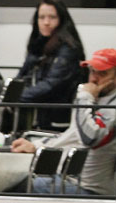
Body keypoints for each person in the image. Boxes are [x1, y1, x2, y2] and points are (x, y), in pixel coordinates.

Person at [9, 48, 116, 195]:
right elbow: (72, 136)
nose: (94, 79)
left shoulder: (108, 106)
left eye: (102, 73)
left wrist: (84, 97)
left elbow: (90, 138)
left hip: (89, 188)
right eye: (92, 71)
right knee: (10, 173)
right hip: (71, 178)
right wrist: (36, 145)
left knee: (15, 183)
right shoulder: (97, 98)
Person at [15, 0, 85, 130]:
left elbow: (51, 85)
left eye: (52, 17)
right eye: (41, 17)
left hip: (55, 115)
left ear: (61, 19)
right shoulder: (38, 43)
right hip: (36, 110)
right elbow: (23, 73)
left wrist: (15, 97)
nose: (46, 22)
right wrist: (7, 95)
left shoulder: (68, 48)